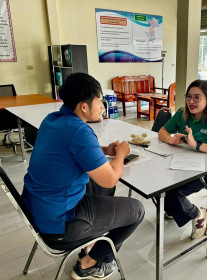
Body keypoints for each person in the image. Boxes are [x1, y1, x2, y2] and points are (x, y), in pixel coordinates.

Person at [22, 73, 145, 280]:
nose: (102, 107)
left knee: (102, 190)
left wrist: (106, 150)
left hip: (39, 208)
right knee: (137, 210)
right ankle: (92, 262)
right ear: (84, 107)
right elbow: (111, 178)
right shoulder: (80, 131)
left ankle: (90, 243)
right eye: (100, 101)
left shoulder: (54, 119)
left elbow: (71, 151)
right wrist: (122, 153)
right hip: (60, 223)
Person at [158, 80, 207, 239]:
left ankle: (198, 214)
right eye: (189, 97)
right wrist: (171, 140)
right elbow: (162, 131)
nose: (191, 101)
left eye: (197, 97)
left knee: (173, 193)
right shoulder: (182, 114)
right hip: (182, 163)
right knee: (158, 184)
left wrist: (196, 145)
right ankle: (175, 208)